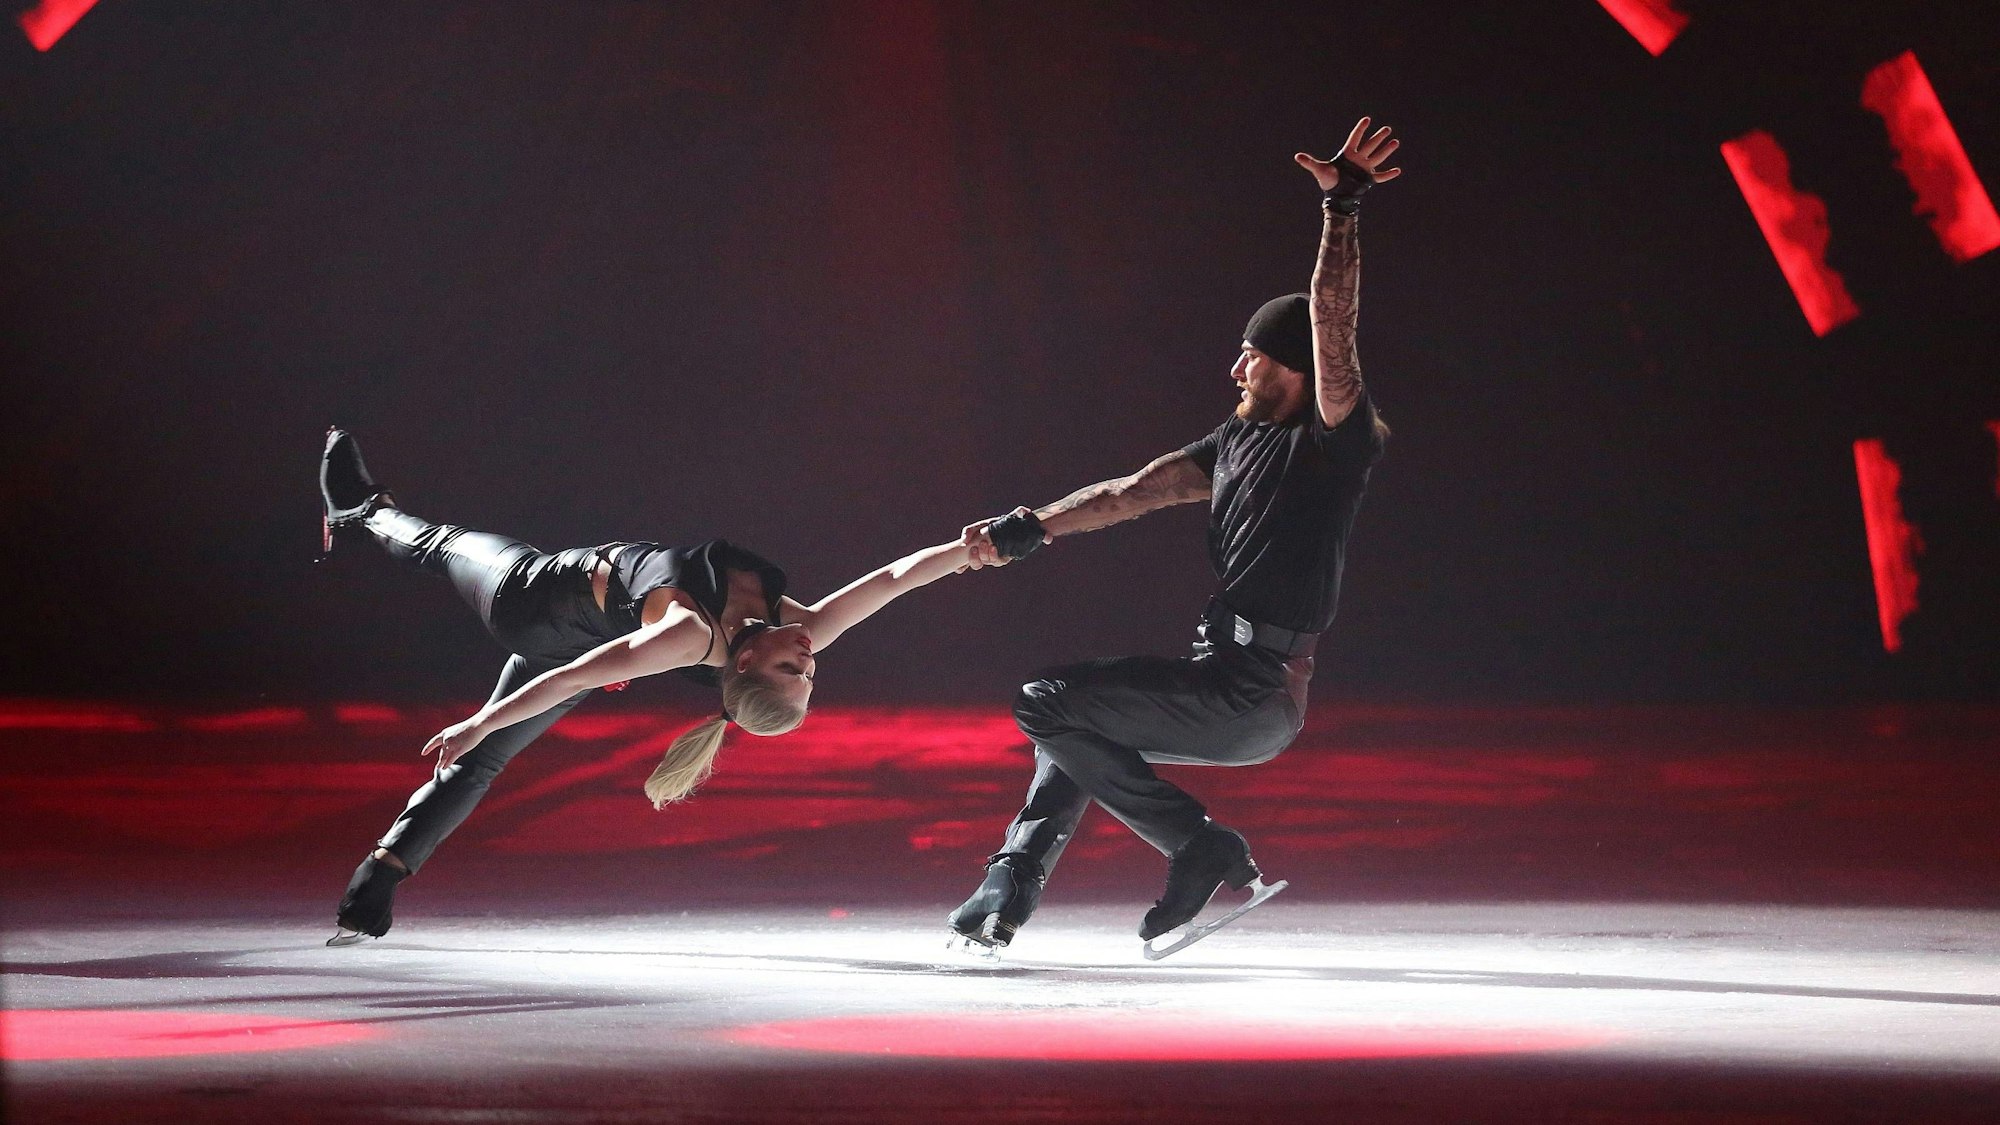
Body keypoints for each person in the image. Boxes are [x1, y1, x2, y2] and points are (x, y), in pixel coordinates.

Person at [951, 117, 1400, 958]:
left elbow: (1333, 327)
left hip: (1255, 696)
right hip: (1220, 678)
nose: (1235, 370)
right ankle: (1007, 887)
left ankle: (1198, 846)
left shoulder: (1331, 441)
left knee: (1044, 702)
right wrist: (1032, 526)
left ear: (1295, 368)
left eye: (1252, 356)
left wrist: (1343, 208)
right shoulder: (1231, 441)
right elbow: (1129, 493)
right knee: (1073, 722)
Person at [315, 428, 985, 946]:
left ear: (748, 666)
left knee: (439, 548)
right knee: (483, 764)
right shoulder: (801, 627)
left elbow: (572, 674)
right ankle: (372, 887)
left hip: (528, 602)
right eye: (809, 675)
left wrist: (480, 721)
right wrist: (973, 550)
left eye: (793, 672)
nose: (808, 660)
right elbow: (897, 580)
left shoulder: (687, 634)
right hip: (580, 635)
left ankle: (359, 510)